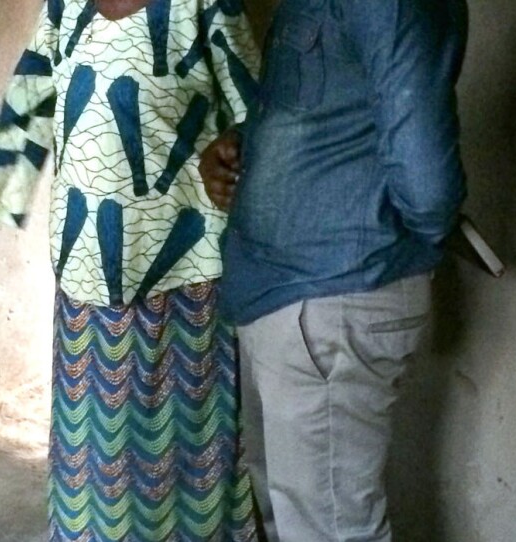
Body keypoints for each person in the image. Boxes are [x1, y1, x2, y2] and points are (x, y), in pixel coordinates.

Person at [0, 0, 262, 540]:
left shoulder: (200, 6)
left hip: (185, 282)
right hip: (86, 282)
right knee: (91, 474)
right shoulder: (65, 10)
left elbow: (258, 113)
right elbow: (20, 119)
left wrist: (231, 150)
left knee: (188, 466)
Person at [200, 0, 469, 541]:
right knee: (297, 517)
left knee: (329, 528)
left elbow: (427, 182)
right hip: (283, 295)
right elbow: (326, 106)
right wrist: (247, 146)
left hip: (331, 295)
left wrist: (389, 245)